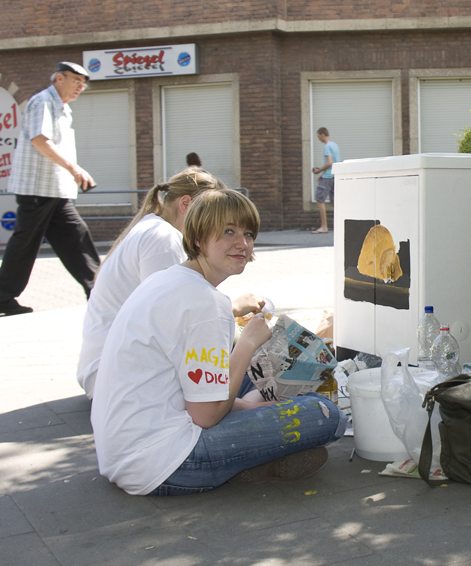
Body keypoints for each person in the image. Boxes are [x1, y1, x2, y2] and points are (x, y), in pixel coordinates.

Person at [91, 188, 345, 495]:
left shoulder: (168, 278)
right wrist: (248, 343)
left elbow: (192, 386)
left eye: (248, 233)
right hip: (166, 461)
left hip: (122, 450)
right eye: (228, 232)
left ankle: (251, 462)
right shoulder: (205, 303)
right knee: (325, 415)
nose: (243, 244)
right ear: (198, 238)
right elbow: (206, 415)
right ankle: (244, 461)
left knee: (259, 380)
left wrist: (248, 402)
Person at [76, 168, 255, 399]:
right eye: (212, 215)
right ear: (186, 205)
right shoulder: (164, 238)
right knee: (256, 371)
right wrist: (234, 312)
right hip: (123, 381)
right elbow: (174, 320)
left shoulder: (151, 227)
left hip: (111, 373)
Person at [0, 62, 100, 316]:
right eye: (75, 80)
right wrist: (75, 169)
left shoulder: (63, 109)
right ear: (59, 78)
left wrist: (71, 173)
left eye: (83, 83)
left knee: (76, 237)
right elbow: (40, 140)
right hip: (37, 188)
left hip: (55, 190)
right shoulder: (43, 102)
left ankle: (99, 291)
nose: (80, 86)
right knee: (26, 243)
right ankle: (2, 297)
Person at [310, 127, 340, 234]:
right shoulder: (335, 145)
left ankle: (324, 226)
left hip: (327, 177)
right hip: (333, 176)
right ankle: (340, 225)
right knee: (335, 202)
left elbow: (329, 163)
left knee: (319, 199)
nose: (318, 138)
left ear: (322, 134)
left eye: (318, 135)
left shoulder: (327, 146)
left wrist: (318, 171)